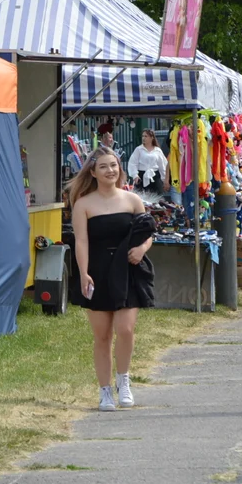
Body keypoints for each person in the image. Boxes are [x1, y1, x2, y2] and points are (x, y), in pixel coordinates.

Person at [69, 147, 156, 411]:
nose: (110, 171)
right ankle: (105, 390)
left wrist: (141, 250)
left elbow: (147, 233)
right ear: (93, 172)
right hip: (98, 270)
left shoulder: (132, 201)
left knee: (125, 329)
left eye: (114, 165)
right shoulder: (83, 204)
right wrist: (84, 273)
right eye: (104, 166)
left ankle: (124, 380)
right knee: (102, 335)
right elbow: (81, 241)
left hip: (128, 270)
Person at [127, 129, 170, 195]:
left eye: (146, 136)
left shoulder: (157, 150)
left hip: (155, 177)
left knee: (156, 199)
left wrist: (165, 180)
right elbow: (132, 163)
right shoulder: (138, 149)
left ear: (151, 138)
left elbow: (163, 166)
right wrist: (135, 175)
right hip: (141, 178)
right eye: (143, 136)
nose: (143, 138)